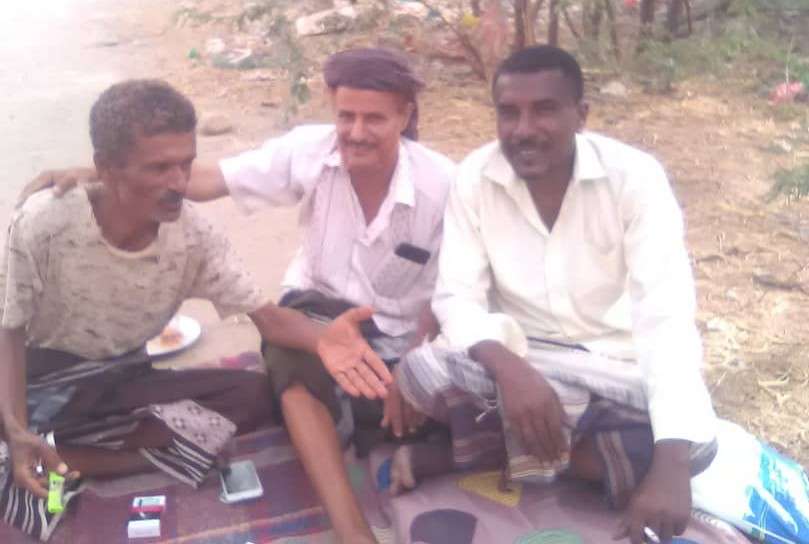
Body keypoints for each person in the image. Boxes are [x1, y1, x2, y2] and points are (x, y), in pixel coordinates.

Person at [24, 49, 455, 544]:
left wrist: (416, 365)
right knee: (292, 375)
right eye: (345, 116)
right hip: (314, 313)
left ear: (405, 115)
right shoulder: (309, 152)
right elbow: (207, 180)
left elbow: (450, 288)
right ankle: (353, 531)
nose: (356, 132)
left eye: (374, 118)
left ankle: (382, 424)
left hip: (406, 333)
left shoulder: (444, 184)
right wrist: (104, 173)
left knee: (463, 387)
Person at [389, 45, 718, 544]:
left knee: (691, 448)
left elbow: (665, 318)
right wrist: (511, 369)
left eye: (544, 110)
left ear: (580, 115)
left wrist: (672, 464)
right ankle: (565, 454)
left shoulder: (635, 179)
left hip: (614, 368)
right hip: (521, 357)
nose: (523, 129)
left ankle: (480, 455)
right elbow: (456, 297)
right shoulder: (475, 177)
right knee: (419, 372)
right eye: (509, 113)